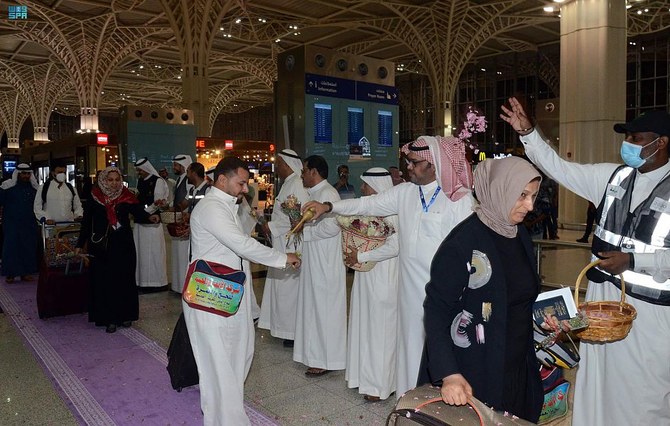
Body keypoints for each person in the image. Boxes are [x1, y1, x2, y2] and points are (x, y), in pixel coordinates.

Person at [501, 97, 670, 426]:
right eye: (627, 138)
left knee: (645, 394)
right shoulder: (613, 178)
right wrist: (529, 133)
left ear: (661, 143)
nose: (628, 145)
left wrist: (634, 261)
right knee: (597, 384)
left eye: (636, 139)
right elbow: (560, 169)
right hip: (600, 306)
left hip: (649, 317)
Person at [304, 135, 474, 397]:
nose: (408, 167)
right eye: (407, 161)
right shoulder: (404, 192)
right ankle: (407, 404)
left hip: (444, 295)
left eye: (415, 162)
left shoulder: (458, 200)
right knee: (408, 348)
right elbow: (366, 204)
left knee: (439, 352)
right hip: (408, 294)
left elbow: (469, 250)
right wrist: (328, 206)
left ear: (434, 164)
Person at [419, 156, 543, 422]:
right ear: (500, 189)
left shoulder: (518, 234)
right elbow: (436, 310)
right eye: (522, 195)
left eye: (533, 196)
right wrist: (449, 374)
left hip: (517, 361)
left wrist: (546, 318)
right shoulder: (462, 244)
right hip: (477, 367)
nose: (530, 206)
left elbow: (521, 293)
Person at [183, 156, 300, 426]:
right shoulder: (212, 208)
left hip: (228, 294)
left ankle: (228, 417)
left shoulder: (227, 205)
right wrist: (283, 258)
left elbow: (242, 240)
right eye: (241, 183)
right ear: (222, 180)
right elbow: (241, 245)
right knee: (219, 365)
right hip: (210, 297)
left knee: (238, 356)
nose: (245, 189)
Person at [75, 167, 160, 333]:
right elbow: (86, 223)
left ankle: (125, 314)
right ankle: (109, 319)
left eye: (116, 180)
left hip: (123, 245)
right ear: (103, 180)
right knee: (105, 281)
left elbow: (138, 212)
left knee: (124, 279)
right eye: (110, 180)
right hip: (102, 246)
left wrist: (150, 217)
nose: (114, 183)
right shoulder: (95, 197)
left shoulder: (126, 196)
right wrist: (80, 244)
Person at [344, 167, 399, 402]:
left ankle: (380, 385)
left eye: (365, 185)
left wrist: (362, 256)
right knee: (365, 326)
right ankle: (364, 378)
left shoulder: (393, 213)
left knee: (381, 330)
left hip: (384, 278)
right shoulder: (370, 211)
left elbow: (396, 246)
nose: (363, 188)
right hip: (366, 276)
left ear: (375, 187)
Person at [293, 155, 347, 376]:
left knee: (324, 308)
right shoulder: (314, 193)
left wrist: (304, 231)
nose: (302, 174)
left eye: (304, 170)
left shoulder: (328, 195)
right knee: (313, 307)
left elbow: (333, 227)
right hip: (314, 260)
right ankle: (313, 354)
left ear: (314, 172)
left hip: (325, 263)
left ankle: (326, 359)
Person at [258, 149, 310, 347]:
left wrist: (269, 226)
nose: (276, 166)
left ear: (287, 163)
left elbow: (296, 218)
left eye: (278, 163)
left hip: (291, 244)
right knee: (282, 288)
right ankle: (284, 328)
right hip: (283, 242)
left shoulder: (296, 183)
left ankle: (292, 333)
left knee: (289, 289)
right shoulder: (289, 183)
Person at [168, 162, 209, 293]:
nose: (187, 175)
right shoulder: (192, 190)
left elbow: (207, 211)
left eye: (188, 172)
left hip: (203, 231)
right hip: (193, 229)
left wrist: (190, 215)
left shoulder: (207, 190)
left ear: (194, 173)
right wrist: (170, 209)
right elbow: (184, 204)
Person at [133, 158, 168, 290]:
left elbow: (157, 202)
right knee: (141, 253)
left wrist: (145, 213)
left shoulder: (158, 181)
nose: (139, 172)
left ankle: (156, 283)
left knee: (154, 253)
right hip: (140, 223)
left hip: (152, 223)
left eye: (140, 170)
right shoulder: (140, 181)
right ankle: (142, 282)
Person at [0, 164, 40, 282]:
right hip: (11, 223)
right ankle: (10, 274)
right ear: (18, 174)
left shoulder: (34, 188)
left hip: (29, 223)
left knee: (28, 247)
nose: (26, 176)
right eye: (23, 173)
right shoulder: (7, 187)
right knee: (11, 248)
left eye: (28, 173)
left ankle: (25, 273)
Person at [170, 154, 193, 292]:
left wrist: (178, 208)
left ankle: (184, 287)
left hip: (184, 219)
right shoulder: (180, 179)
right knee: (177, 255)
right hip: (178, 218)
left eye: (176, 165)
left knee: (183, 255)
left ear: (183, 166)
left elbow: (188, 198)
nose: (174, 168)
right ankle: (178, 286)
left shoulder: (188, 180)